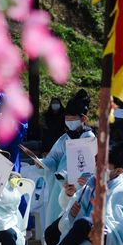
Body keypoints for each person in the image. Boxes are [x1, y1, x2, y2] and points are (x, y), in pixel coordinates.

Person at [41, 89, 96, 231]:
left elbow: (91, 166)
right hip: (59, 186)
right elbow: (53, 157)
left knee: (72, 224)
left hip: (80, 187)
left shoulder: (89, 138)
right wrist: (42, 162)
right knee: (54, 222)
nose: (69, 122)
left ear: (83, 119)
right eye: (67, 119)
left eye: (73, 119)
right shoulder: (64, 138)